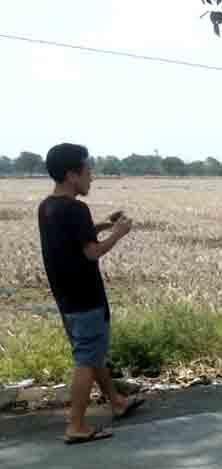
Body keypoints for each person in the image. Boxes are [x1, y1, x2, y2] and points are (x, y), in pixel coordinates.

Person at [38, 143, 143, 445]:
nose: (91, 177)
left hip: (66, 299)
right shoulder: (76, 208)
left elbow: (76, 233)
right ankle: (76, 425)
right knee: (86, 359)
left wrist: (104, 224)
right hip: (86, 298)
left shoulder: (48, 207)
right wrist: (118, 233)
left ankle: (118, 402)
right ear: (72, 174)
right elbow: (91, 252)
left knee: (91, 352)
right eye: (88, 170)